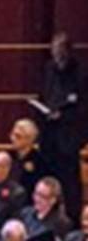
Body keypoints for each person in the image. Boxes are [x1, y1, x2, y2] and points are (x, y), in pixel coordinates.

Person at [38, 31, 83, 218]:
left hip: (69, 137)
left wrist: (63, 115)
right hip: (49, 135)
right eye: (55, 52)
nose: (58, 56)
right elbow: (44, 94)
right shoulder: (48, 69)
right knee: (48, 177)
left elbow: (83, 106)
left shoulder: (82, 72)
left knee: (70, 183)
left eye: (61, 52)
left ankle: (71, 219)